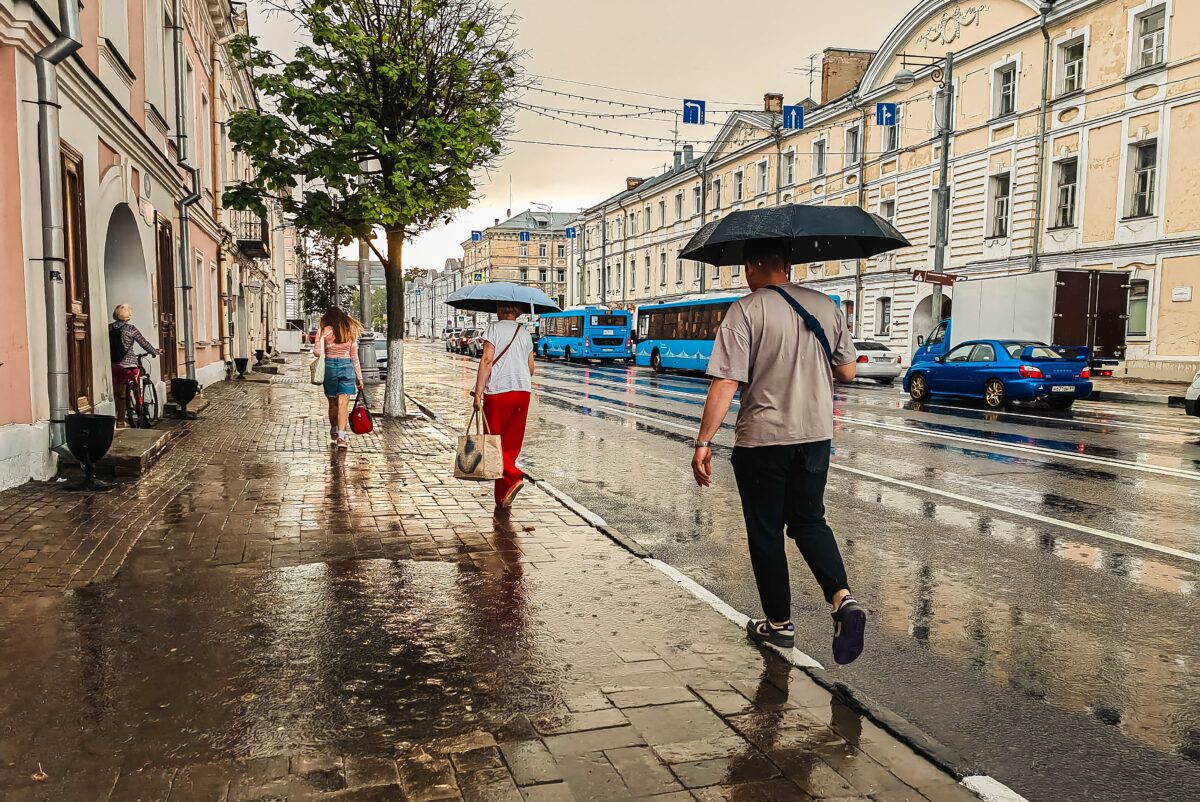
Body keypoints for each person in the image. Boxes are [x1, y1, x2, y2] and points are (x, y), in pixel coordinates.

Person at [691, 239, 866, 665]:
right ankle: (842, 600)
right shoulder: (826, 306)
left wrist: (703, 441)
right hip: (815, 436)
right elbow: (847, 370)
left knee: (766, 531)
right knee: (809, 521)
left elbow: (725, 383)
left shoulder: (745, 311)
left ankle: (780, 624)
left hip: (763, 440)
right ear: (788, 263)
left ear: (751, 265)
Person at [471, 303, 535, 509]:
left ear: (499, 310)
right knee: (511, 445)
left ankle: (515, 476)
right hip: (523, 392)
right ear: (518, 311)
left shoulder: (493, 329)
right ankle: (502, 497)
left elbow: (487, 360)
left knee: (494, 444)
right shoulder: (525, 333)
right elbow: (531, 368)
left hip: (499, 392)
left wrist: (478, 392)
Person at [315, 307, 365, 449]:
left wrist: (328, 349)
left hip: (329, 368)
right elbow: (354, 357)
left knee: (332, 402)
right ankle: (341, 438)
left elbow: (317, 352)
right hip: (347, 367)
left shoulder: (323, 331)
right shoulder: (350, 331)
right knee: (343, 403)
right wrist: (359, 378)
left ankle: (334, 429)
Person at [109, 304, 160, 427]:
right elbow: (143, 343)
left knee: (117, 392)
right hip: (129, 364)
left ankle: (118, 417)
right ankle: (125, 417)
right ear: (128, 316)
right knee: (127, 390)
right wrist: (154, 352)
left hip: (114, 364)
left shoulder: (109, 328)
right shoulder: (131, 329)